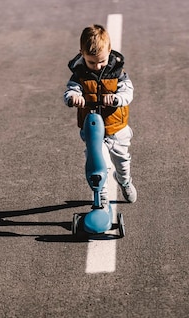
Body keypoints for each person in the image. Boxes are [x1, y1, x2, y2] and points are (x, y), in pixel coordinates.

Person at [64, 24, 137, 204]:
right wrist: (74, 97)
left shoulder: (118, 72)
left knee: (122, 163)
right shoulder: (79, 75)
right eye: (91, 62)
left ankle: (124, 180)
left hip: (117, 128)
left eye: (101, 61)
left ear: (109, 51)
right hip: (93, 131)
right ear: (81, 53)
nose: (97, 66)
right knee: (98, 164)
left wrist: (116, 99)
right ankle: (101, 197)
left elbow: (128, 93)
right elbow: (70, 91)